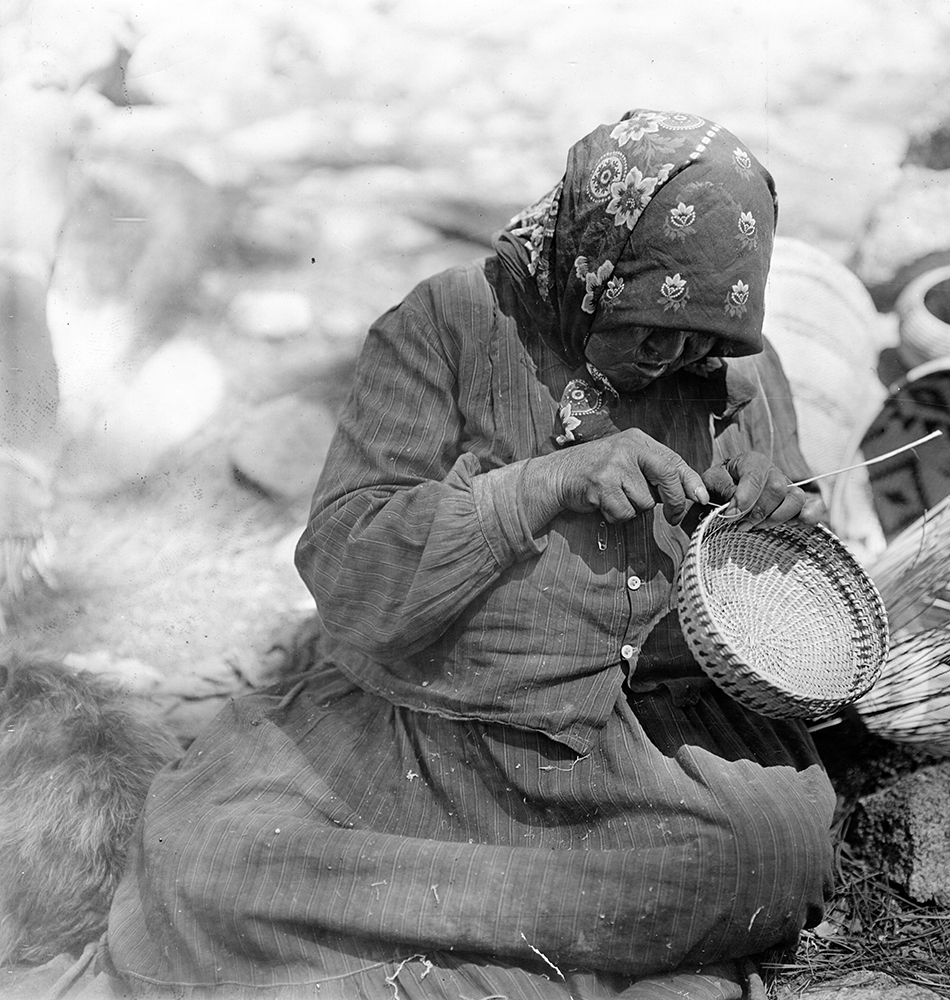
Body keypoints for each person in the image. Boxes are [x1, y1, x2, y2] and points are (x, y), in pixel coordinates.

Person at [107, 110, 836, 999]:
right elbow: (346, 561)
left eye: (704, 338)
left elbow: (791, 595)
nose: (675, 357)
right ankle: (557, 964)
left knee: (765, 853)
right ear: (592, 266)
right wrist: (540, 486)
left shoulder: (732, 377)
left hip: (636, 759)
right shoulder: (448, 325)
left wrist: (779, 528)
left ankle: (438, 963)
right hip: (434, 742)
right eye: (650, 326)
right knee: (208, 852)